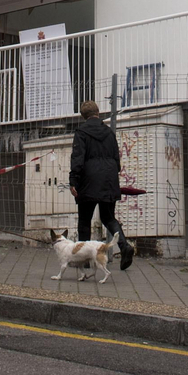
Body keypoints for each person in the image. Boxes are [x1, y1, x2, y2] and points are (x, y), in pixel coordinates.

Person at [68, 100, 134, 270]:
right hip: (108, 180)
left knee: (84, 221)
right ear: (98, 112)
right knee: (108, 218)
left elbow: (77, 159)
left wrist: (73, 180)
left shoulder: (81, 132)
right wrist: (111, 175)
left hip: (88, 181)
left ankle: (84, 260)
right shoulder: (109, 133)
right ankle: (124, 245)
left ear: (83, 116)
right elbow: (117, 160)